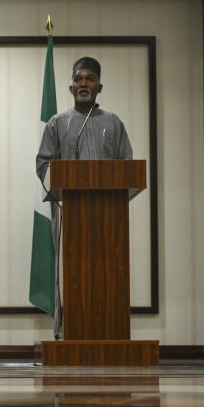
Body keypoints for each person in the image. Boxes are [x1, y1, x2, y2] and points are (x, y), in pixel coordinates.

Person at [35, 56, 133, 339]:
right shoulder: (58, 123)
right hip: (69, 214)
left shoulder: (114, 123)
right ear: (70, 87)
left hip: (108, 217)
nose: (83, 84)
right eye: (78, 79)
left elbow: (127, 166)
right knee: (71, 274)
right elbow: (42, 165)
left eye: (90, 79)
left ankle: (110, 334)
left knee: (108, 272)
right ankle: (67, 332)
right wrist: (61, 181)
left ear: (100, 87)